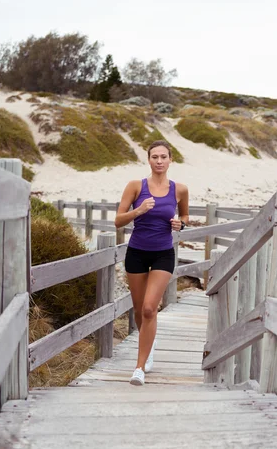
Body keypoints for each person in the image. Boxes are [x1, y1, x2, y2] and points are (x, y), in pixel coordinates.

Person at [114, 140, 189, 386]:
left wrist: (181, 223)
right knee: (138, 310)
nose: (159, 161)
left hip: (163, 254)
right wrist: (138, 211)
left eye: (163, 157)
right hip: (136, 252)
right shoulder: (136, 186)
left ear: (170, 160)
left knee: (149, 308)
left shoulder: (179, 189)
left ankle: (139, 367)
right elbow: (117, 221)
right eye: (154, 157)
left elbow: (185, 215)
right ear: (148, 160)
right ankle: (150, 343)